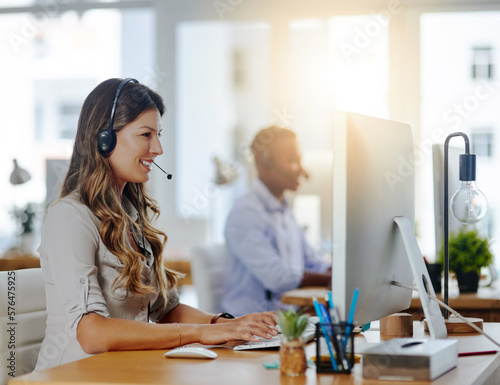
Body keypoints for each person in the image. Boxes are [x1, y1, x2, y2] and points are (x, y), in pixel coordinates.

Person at [35, 78, 278, 371]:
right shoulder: (69, 218)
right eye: (146, 134)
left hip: (126, 373)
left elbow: (167, 309)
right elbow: (91, 332)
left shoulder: (131, 217)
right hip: (76, 376)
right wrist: (203, 334)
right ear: (104, 139)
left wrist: (228, 325)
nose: (158, 148)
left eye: (158, 134)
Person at [221, 126, 332, 317]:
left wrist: (337, 270)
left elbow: (310, 261)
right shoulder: (245, 212)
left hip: (284, 322)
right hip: (249, 328)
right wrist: (333, 279)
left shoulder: (284, 209)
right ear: (264, 164)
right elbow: (278, 278)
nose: (302, 170)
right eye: (292, 160)